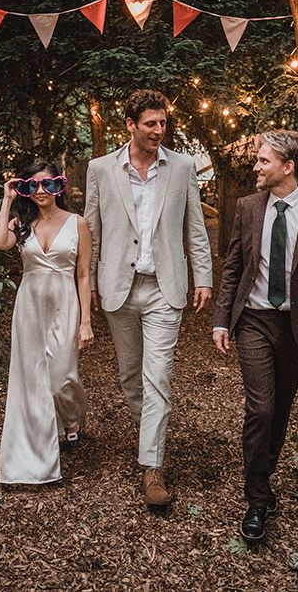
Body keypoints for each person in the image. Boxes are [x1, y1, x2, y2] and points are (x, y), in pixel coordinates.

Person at [212, 130, 298, 542]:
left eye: (264, 161)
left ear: (288, 167)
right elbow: (234, 266)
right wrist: (221, 320)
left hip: (296, 328)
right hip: (253, 320)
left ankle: (262, 481)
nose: (256, 166)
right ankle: (256, 499)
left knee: (281, 411)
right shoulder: (248, 207)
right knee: (261, 410)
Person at [84, 89, 213, 506]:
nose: (160, 130)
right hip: (118, 289)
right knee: (129, 377)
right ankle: (151, 439)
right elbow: (93, 232)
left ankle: (152, 467)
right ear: (131, 126)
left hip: (164, 287)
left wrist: (203, 278)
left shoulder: (182, 167)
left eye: (163, 123)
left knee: (158, 377)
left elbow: (195, 227)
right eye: (151, 124)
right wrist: (86, 286)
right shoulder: (100, 169)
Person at [0, 162, 94, 484]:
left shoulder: (78, 223)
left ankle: (73, 420)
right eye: (33, 186)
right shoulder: (22, 223)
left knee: (63, 376)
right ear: (25, 189)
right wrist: (7, 199)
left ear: (59, 187)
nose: (40, 191)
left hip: (65, 304)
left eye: (48, 185)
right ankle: (36, 450)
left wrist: (86, 321)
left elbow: (83, 274)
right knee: (32, 381)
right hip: (30, 307)